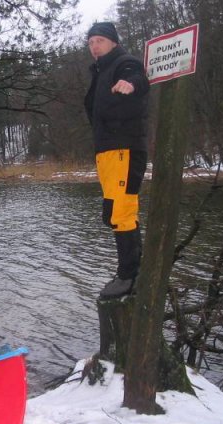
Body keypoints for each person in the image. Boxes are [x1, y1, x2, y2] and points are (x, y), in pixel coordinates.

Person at [84, 22, 150, 298]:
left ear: (112, 42)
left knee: (122, 211)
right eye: (90, 42)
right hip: (107, 151)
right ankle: (132, 269)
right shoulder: (99, 73)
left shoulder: (124, 62)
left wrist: (130, 84)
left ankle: (129, 277)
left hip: (124, 149)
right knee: (112, 213)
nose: (94, 46)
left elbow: (138, 77)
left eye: (99, 40)